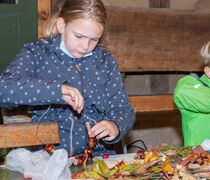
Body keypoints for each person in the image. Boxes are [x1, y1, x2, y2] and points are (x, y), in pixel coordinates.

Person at [0, 0, 135, 156]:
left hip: (98, 158)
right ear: (62, 25)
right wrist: (56, 90)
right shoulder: (38, 53)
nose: (85, 46)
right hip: (49, 158)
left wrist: (115, 125)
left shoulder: (105, 62)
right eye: (78, 36)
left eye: (94, 39)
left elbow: (125, 110)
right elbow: (4, 89)